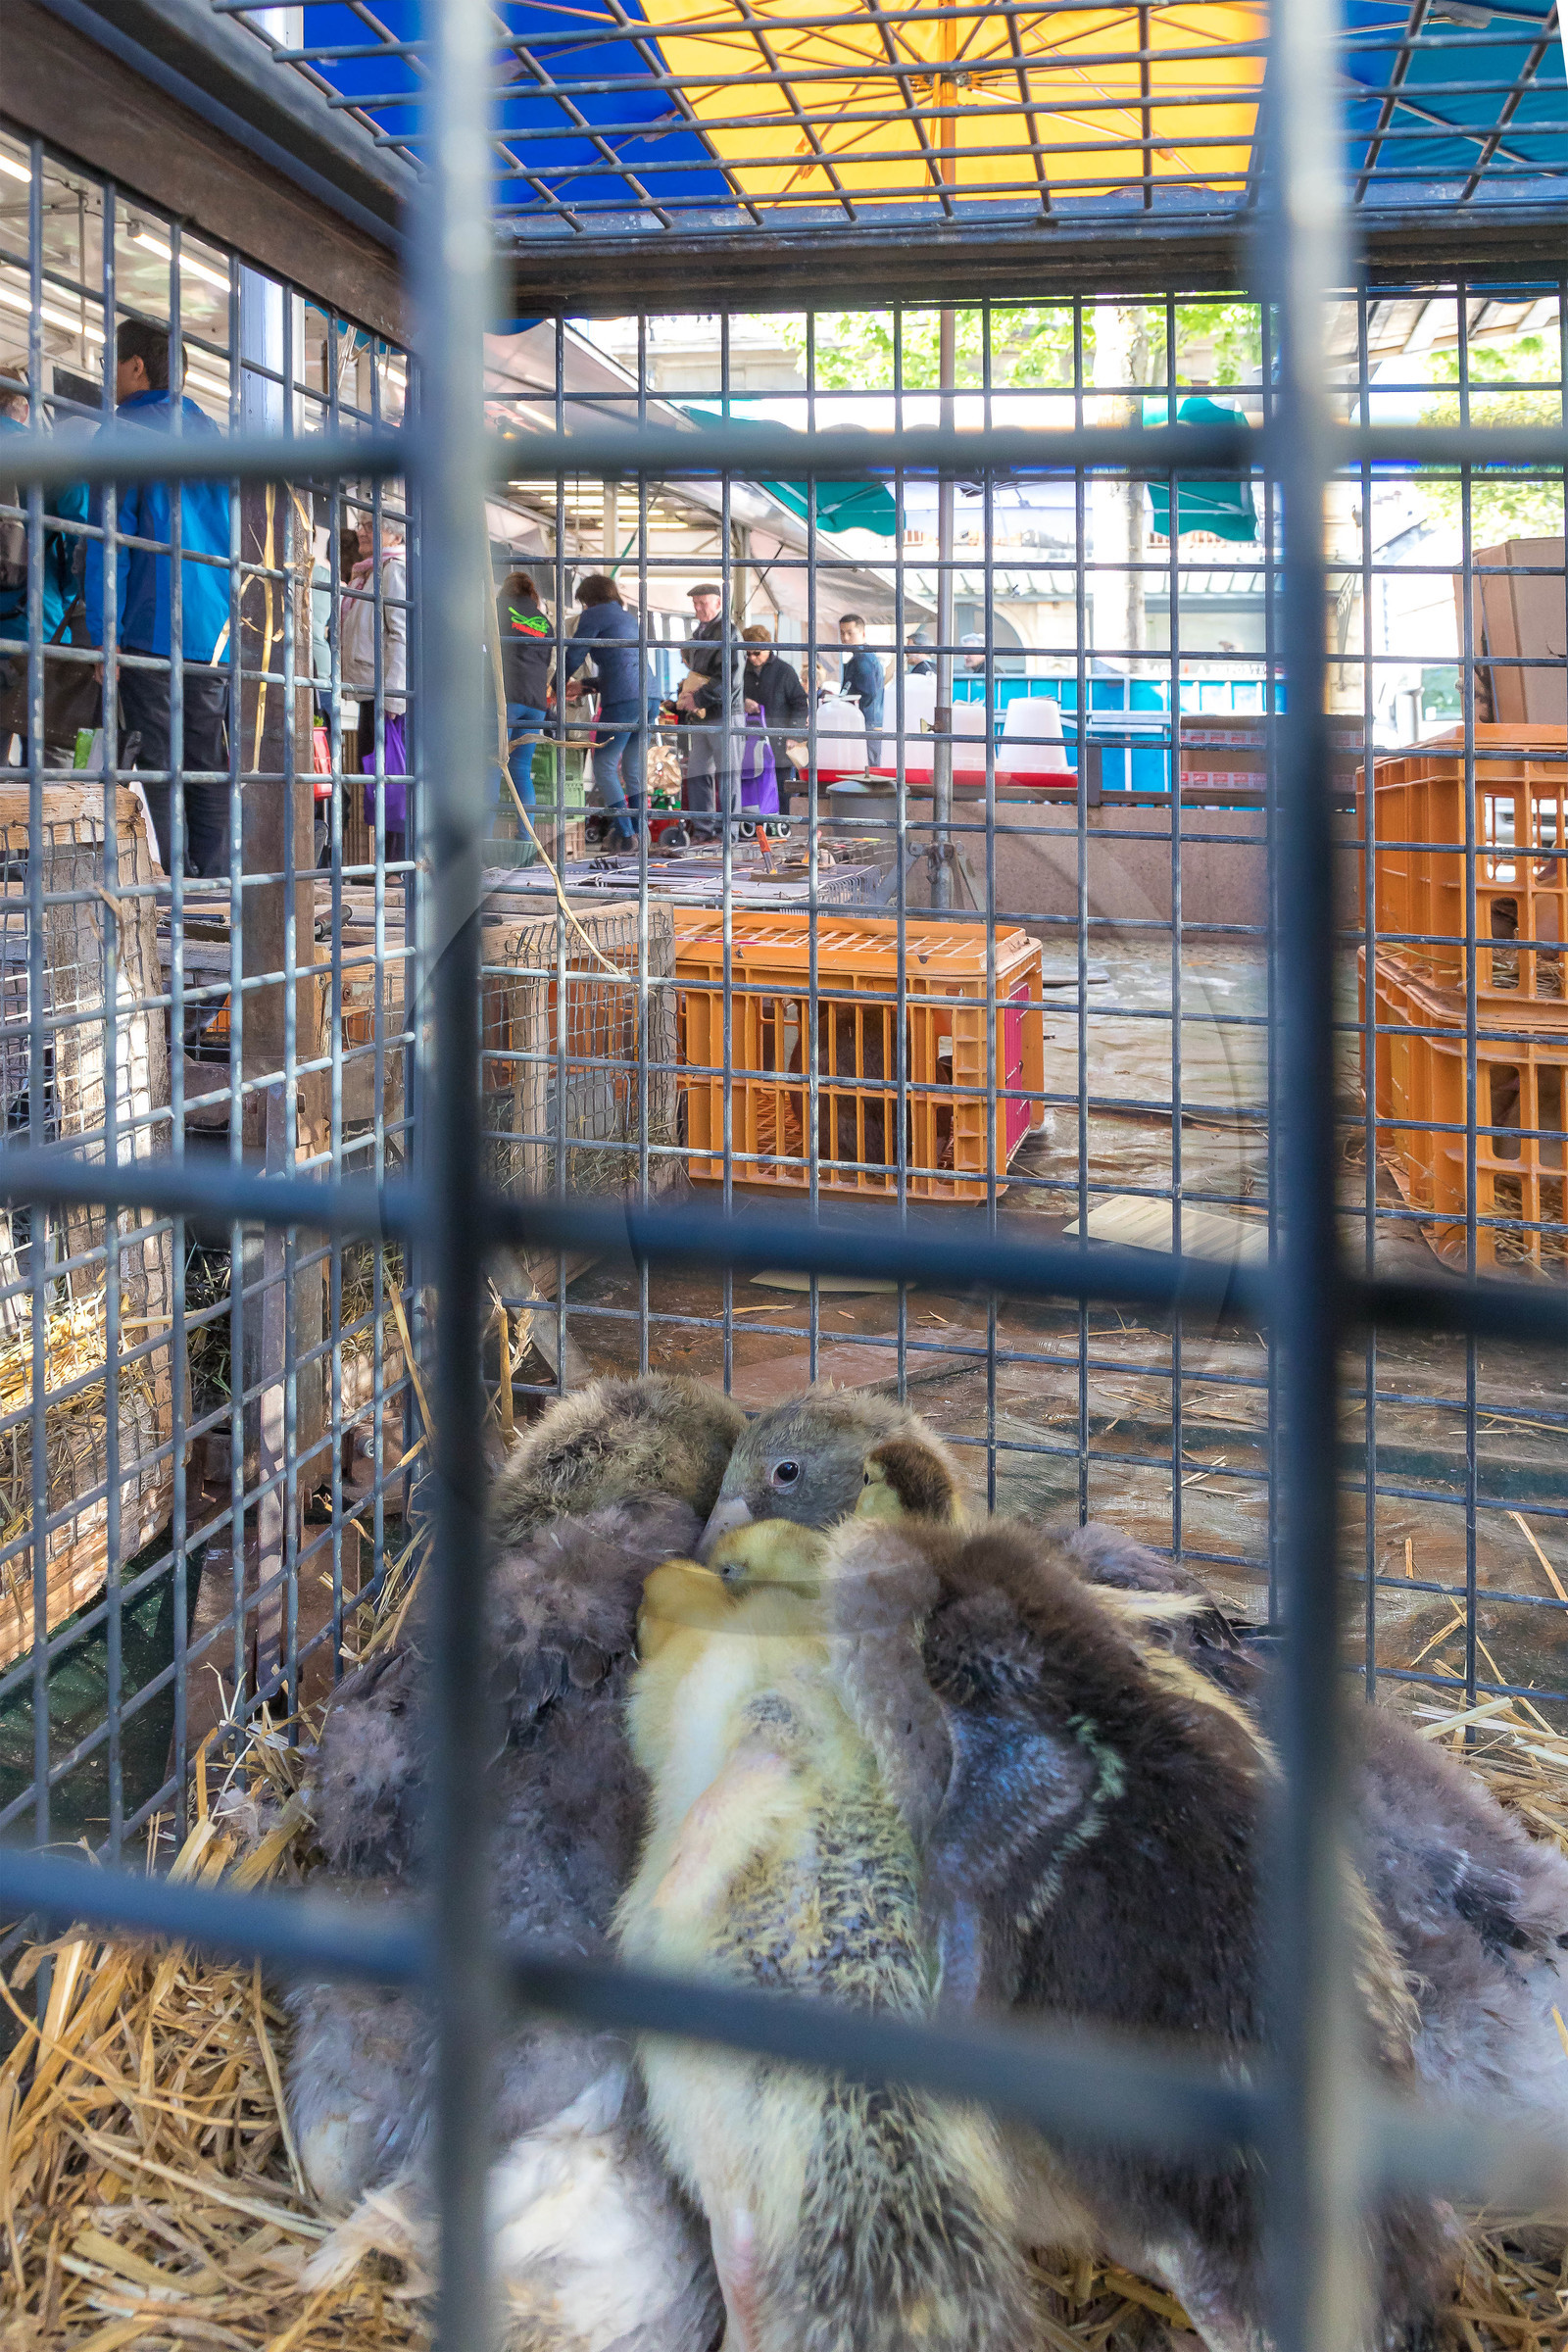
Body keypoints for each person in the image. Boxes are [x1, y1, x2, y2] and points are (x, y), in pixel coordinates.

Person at [83, 322, 231, 872]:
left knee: (158, 762)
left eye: (110, 361)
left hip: (152, 623)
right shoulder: (210, 433)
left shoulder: (122, 432)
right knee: (205, 760)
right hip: (212, 631)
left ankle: (169, 887)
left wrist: (105, 634)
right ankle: (214, 887)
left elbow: (109, 544)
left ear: (137, 366)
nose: (107, 373)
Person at [0, 384, 91, 768]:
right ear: (23, 410)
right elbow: (82, 538)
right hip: (40, 622)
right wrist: (74, 600)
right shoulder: (51, 458)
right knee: (52, 753)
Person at [562, 572, 656, 849]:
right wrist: (584, 686)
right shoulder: (628, 618)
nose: (584, 608)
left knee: (603, 765)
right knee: (633, 769)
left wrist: (556, 685)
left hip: (623, 701)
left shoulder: (595, 613)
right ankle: (641, 834)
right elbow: (623, 667)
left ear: (590, 599)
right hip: (650, 696)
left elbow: (574, 654)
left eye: (584, 603)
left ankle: (626, 834)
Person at [341, 522, 409, 861]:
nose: (362, 531)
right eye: (361, 524)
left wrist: (394, 695)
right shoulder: (367, 573)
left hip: (386, 695)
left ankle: (395, 866)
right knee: (377, 776)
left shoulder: (392, 570)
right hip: (370, 691)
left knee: (390, 777)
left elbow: (401, 633)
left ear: (396, 535)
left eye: (372, 524)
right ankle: (389, 864)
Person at [678, 580, 743, 839]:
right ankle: (703, 831)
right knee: (697, 773)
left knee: (728, 775)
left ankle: (728, 834)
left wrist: (698, 698)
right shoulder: (700, 634)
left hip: (724, 713)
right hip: (704, 714)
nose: (698, 608)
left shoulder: (729, 632)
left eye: (702, 603)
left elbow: (731, 677)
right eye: (695, 603)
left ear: (718, 603)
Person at [495, 567, 553, 849]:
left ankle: (482, 841)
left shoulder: (498, 611)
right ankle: (526, 841)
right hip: (536, 703)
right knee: (521, 769)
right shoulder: (544, 622)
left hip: (507, 698)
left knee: (492, 766)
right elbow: (547, 662)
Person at [742, 624, 809, 800]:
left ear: (768, 647)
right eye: (748, 654)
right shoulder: (742, 672)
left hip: (779, 743)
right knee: (754, 789)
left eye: (757, 653)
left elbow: (800, 703)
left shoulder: (784, 671)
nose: (752, 658)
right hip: (751, 742)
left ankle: (784, 818)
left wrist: (793, 734)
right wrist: (743, 702)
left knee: (782, 790)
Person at [837, 611, 885, 766]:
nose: (845, 638)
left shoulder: (862, 660)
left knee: (867, 769)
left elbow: (868, 693)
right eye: (842, 633)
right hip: (871, 721)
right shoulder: (865, 657)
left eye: (850, 633)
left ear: (863, 633)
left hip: (865, 722)